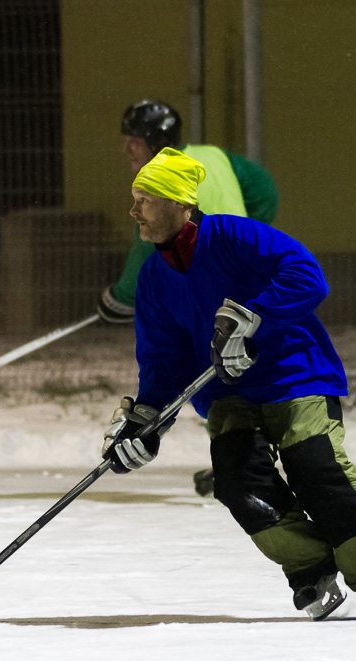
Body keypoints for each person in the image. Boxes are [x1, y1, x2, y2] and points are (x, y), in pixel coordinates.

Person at [101, 148, 356, 620]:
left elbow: (307, 275)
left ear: (178, 203)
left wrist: (252, 317)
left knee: (316, 466)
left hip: (295, 375)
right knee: (237, 483)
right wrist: (146, 419)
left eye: (144, 199)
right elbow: (164, 360)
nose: (133, 211)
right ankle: (312, 569)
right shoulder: (152, 279)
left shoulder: (236, 235)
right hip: (227, 393)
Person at [98, 99, 279, 496]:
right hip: (243, 276)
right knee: (239, 370)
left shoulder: (159, 178)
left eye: (132, 143)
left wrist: (121, 298)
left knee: (212, 372)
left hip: (203, 286)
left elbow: (149, 247)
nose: (126, 151)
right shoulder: (212, 157)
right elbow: (264, 188)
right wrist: (253, 230)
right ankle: (246, 457)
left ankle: (246, 461)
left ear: (153, 141)